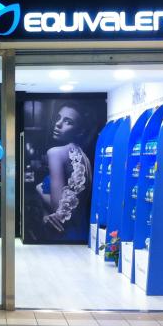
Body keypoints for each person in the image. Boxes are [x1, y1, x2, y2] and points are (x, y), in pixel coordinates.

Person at [36, 102, 93, 238]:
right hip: (82, 231)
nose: (58, 124)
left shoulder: (55, 153)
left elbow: (59, 209)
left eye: (68, 122)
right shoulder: (84, 158)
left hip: (63, 232)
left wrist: (38, 189)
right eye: (58, 118)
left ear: (80, 131)